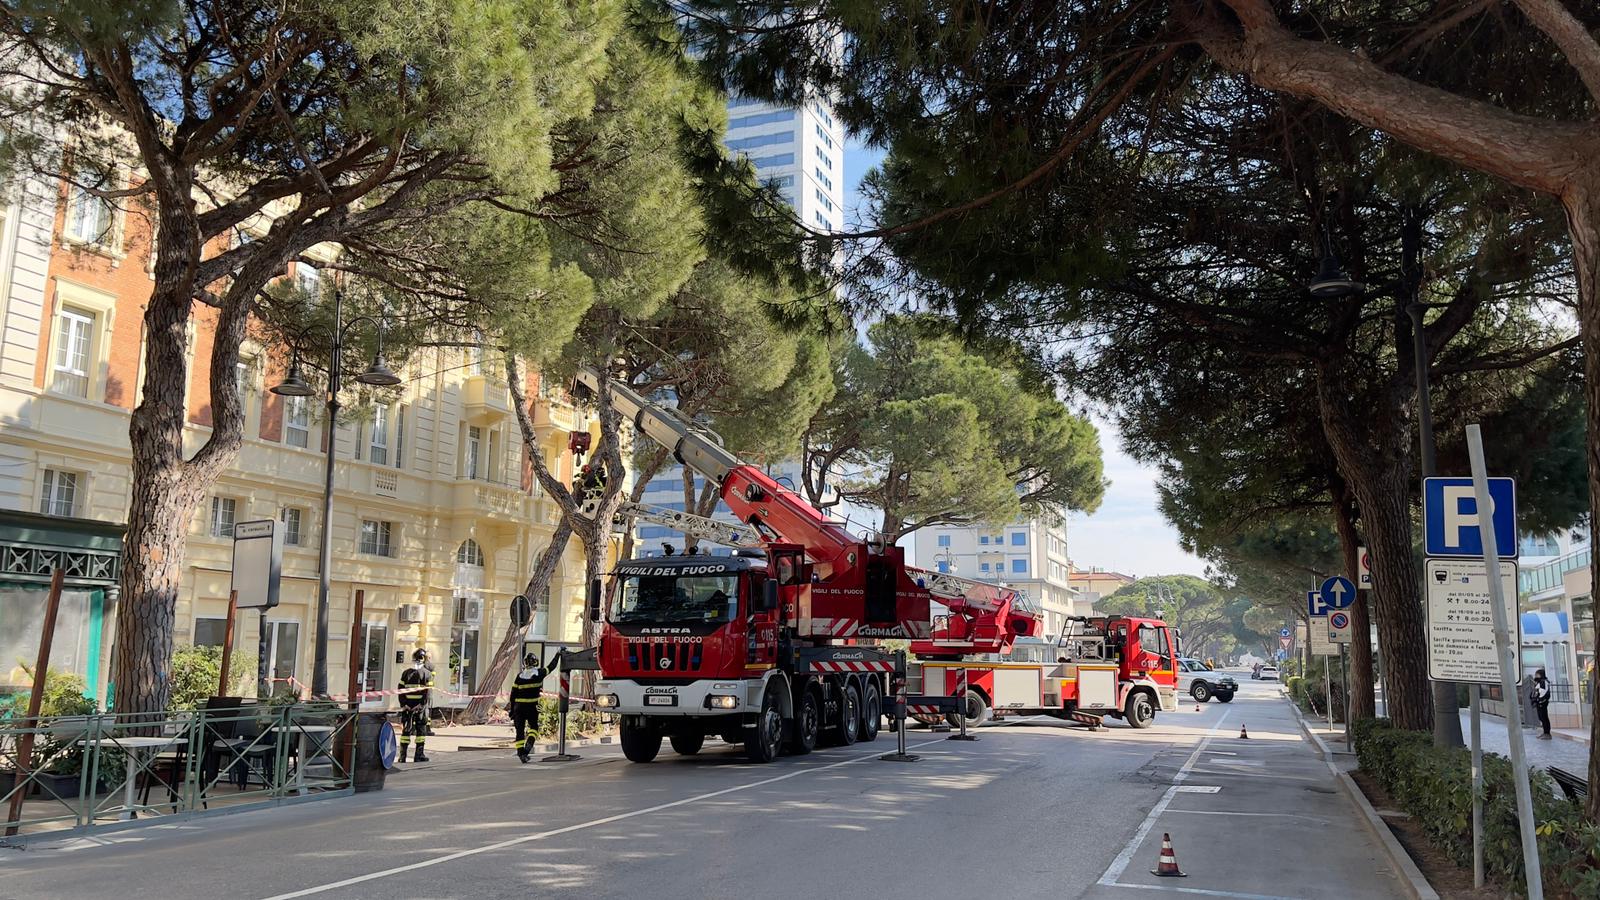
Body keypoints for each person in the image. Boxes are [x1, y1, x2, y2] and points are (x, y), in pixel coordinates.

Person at [509, 651, 561, 763]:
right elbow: (551, 667)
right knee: (533, 728)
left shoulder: (520, 676)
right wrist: (557, 654)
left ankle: (521, 753)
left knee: (519, 731)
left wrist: (512, 710)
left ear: (525, 663)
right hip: (531, 707)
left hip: (518, 708)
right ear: (536, 662)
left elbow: (513, 695)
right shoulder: (539, 673)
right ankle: (528, 747)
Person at [397, 648, 435, 762]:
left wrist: (404, 705)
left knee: (406, 731)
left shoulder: (406, 673)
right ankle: (418, 755)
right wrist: (422, 705)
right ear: (423, 660)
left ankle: (402, 757)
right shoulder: (427, 674)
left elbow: (400, 690)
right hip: (420, 708)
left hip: (407, 707)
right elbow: (428, 693)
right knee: (421, 731)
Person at [1532, 668, 1553, 740]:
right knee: (1541, 717)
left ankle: (1547, 733)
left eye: (1537, 675)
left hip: (1542, 702)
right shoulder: (1539, 682)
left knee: (1544, 717)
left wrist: (1539, 699)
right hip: (1539, 702)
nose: (1536, 676)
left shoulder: (1543, 682)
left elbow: (1543, 691)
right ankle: (1545, 732)